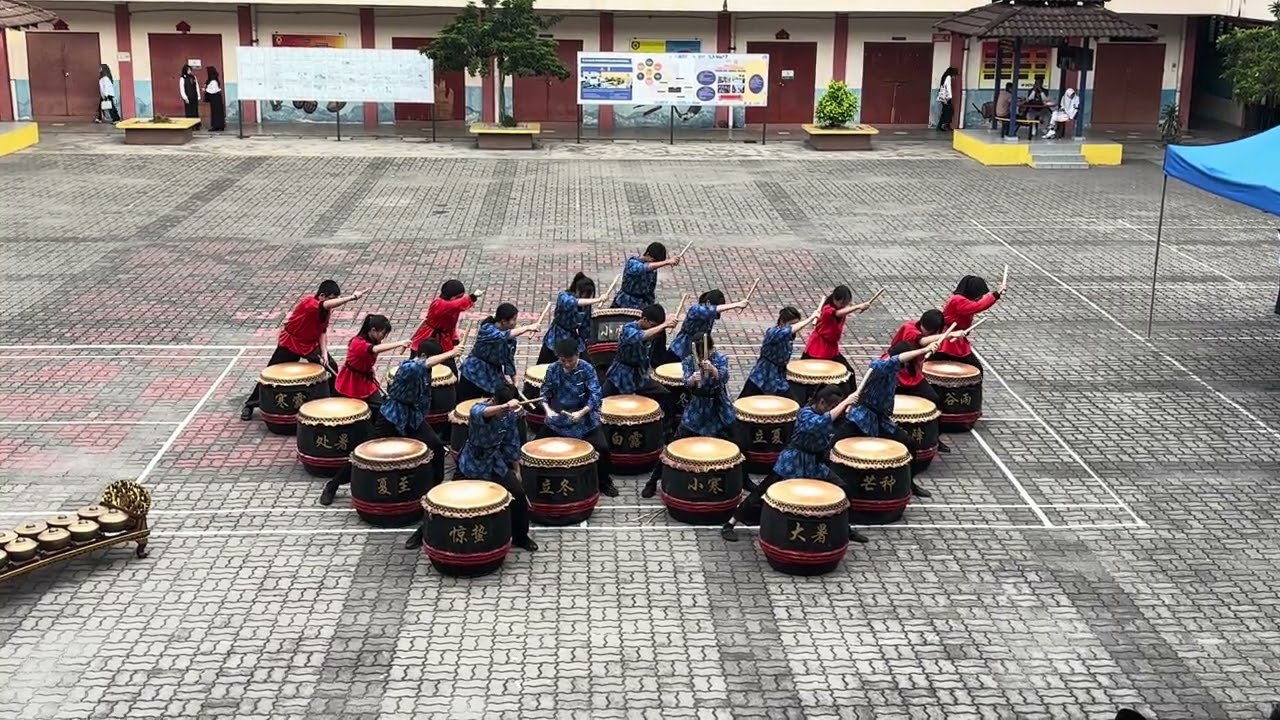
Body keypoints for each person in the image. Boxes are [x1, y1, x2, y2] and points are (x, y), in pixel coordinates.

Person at [322, 346, 461, 515]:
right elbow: (422, 365)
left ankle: (434, 492)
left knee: (436, 448)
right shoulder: (408, 367)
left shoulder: (427, 370)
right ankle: (334, 484)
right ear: (423, 355)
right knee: (366, 454)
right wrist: (451, 353)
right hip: (391, 417)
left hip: (412, 418)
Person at [719, 386, 864, 543]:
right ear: (821, 402)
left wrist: (849, 408)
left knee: (844, 489)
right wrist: (845, 403)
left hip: (814, 464)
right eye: (831, 406)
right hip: (792, 461)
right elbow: (821, 423)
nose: (834, 410)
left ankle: (845, 528)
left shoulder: (829, 413)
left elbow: (836, 422)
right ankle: (730, 523)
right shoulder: (806, 414)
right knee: (763, 491)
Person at [241, 281, 365, 420]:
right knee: (272, 374)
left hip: (310, 345)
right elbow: (325, 305)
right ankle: (250, 404)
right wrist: (352, 297)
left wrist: (324, 353)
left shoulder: (326, 310)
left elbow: (322, 332)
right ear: (322, 296)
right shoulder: (309, 303)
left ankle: (331, 400)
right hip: (291, 343)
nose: (334, 302)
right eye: (332, 298)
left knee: (331, 367)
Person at [837, 341, 942, 499]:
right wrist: (925, 348)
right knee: (834, 446)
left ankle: (909, 484)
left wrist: (927, 350)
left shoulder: (894, 369)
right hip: (862, 418)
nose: (906, 366)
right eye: (906, 362)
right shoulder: (880, 366)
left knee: (910, 443)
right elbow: (896, 360)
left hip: (880, 420)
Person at [641, 333, 735, 499]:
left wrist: (713, 370)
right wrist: (692, 379)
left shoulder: (719, 358)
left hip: (717, 408)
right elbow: (686, 382)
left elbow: (725, 376)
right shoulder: (689, 361)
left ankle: (742, 478)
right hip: (697, 408)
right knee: (673, 445)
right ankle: (653, 480)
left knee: (734, 443)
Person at [456, 382, 538, 552]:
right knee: (448, 497)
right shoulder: (479, 409)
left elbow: (511, 442)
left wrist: (516, 470)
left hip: (494, 462)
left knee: (518, 493)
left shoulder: (510, 416)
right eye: (503, 409)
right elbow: (481, 412)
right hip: (471, 462)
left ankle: (521, 536)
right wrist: (506, 406)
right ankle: (423, 533)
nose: (506, 413)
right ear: (495, 401)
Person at [539, 339, 618, 497]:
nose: (567, 364)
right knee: (535, 447)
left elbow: (596, 394)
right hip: (559, 419)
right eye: (563, 360)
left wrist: (581, 412)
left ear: (577, 354)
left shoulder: (587, 368)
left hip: (584, 418)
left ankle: (604, 482)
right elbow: (544, 394)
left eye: (570, 360)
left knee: (602, 449)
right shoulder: (553, 369)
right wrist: (548, 411)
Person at [888, 309, 965, 452]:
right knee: (887, 407)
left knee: (935, 400)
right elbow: (922, 340)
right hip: (895, 373)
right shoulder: (909, 329)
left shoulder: (930, 334)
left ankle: (934, 437)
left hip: (913, 374)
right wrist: (950, 335)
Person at [612, 242, 682, 366]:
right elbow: (643, 268)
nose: (655, 265)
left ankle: (655, 361)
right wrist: (667, 262)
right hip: (625, 303)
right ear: (648, 254)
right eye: (655, 261)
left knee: (657, 332)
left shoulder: (653, 271)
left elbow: (650, 290)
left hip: (643, 306)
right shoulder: (632, 263)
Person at [457, 303, 541, 402]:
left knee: (498, 403)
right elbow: (502, 336)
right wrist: (527, 327)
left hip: (493, 375)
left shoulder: (511, 338)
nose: (515, 323)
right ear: (503, 321)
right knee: (464, 404)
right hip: (474, 372)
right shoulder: (487, 329)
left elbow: (509, 359)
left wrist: (515, 381)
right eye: (513, 319)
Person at [334, 314, 410, 414]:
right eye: (383, 333)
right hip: (351, 382)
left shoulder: (374, 341)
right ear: (373, 330)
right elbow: (374, 350)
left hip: (365, 380)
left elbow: (366, 361)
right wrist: (399, 343)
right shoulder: (358, 343)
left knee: (379, 407)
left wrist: (373, 372)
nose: (384, 337)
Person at [602, 303, 678, 403]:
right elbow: (641, 336)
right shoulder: (628, 329)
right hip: (621, 375)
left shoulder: (652, 331)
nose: (655, 330)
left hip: (639, 376)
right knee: (604, 402)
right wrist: (664, 325)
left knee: (663, 394)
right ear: (644, 319)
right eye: (653, 325)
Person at [740, 306, 818, 399]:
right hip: (762, 374)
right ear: (782, 322)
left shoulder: (790, 334)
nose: (795, 327)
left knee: (791, 405)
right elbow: (788, 330)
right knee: (743, 404)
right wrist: (811, 318)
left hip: (778, 377)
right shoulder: (773, 333)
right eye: (791, 324)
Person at [409, 279, 481, 373]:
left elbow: (450, 326)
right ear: (451, 297)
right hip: (428, 338)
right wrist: (472, 297)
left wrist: (454, 340)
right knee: (419, 369)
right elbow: (456, 305)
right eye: (459, 297)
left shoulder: (452, 307)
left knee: (450, 371)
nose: (460, 299)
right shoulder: (439, 304)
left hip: (445, 340)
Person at [661, 289, 749, 364]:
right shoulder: (696, 309)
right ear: (707, 302)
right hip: (680, 350)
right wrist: (737, 304)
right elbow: (712, 310)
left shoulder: (711, 316)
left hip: (696, 352)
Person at [802, 285, 872, 379]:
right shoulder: (827, 310)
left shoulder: (841, 308)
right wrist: (858, 306)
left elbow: (843, 311)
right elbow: (837, 314)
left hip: (831, 347)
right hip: (819, 346)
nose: (845, 305)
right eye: (843, 303)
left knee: (849, 373)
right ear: (837, 300)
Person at [538, 272, 607, 365]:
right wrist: (598, 300)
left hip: (572, 338)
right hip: (556, 338)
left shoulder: (586, 304)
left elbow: (585, 326)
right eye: (585, 293)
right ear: (577, 290)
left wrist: (588, 341)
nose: (587, 296)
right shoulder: (563, 297)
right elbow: (572, 303)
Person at [937, 275, 1005, 368]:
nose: (980, 298)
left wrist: (997, 292)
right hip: (949, 340)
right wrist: (996, 294)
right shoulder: (958, 300)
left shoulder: (962, 299)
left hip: (956, 337)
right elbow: (977, 306)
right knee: (974, 367)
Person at [936, 67, 957, 132]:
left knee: (944, 111)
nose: (954, 77)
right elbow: (948, 87)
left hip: (942, 97)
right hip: (946, 98)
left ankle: (940, 126)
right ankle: (945, 125)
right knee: (949, 111)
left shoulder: (944, 76)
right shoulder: (948, 77)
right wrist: (949, 97)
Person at [205, 66, 225, 132]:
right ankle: (220, 125)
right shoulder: (214, 80)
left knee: (215, 112)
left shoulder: (213, 81)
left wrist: (205, 89)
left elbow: (213, 90)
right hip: (217, 97)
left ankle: (216, 126)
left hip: (215, 97)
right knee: (218, 112)